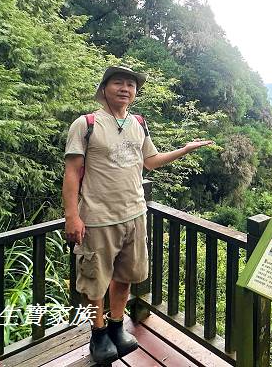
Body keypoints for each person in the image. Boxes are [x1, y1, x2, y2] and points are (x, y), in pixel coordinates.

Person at [62, 66, 213, 364]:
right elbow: (71, 172)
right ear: (104, 88)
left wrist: (185, 149)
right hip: (97, 217)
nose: (125, 88)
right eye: (118, 83)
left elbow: (151, 162)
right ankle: (98, 333)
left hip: (135, 213)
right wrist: (72, 216)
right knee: (95, 281)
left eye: (130, 85)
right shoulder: (86, 124)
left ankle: (117, 326)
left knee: (126, 276)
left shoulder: (138, 124)